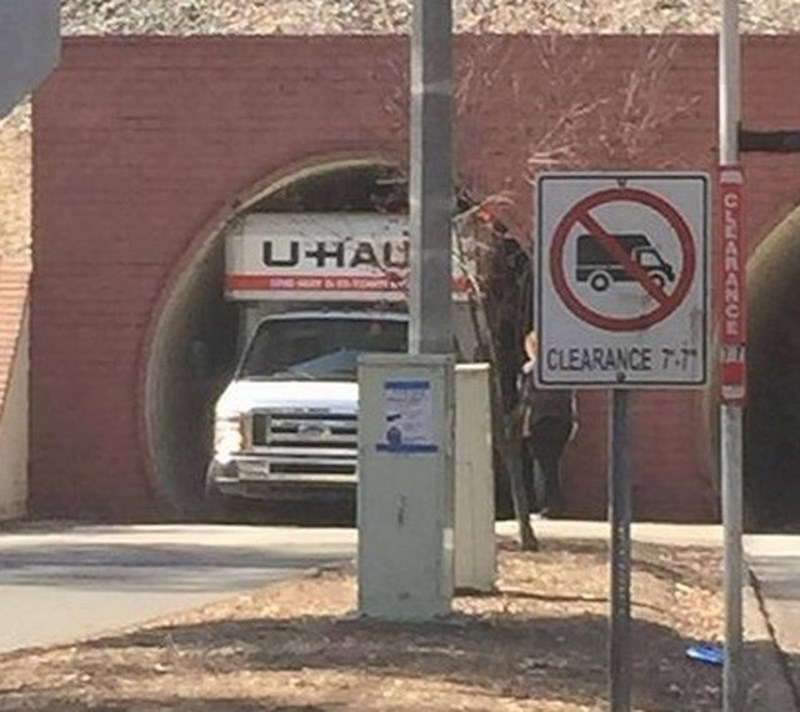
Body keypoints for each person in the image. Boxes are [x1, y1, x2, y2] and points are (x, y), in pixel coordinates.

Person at [518, 330, 577, 517]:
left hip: (540, 420)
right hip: (562, 420)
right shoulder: (560, 367)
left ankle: (549, 506)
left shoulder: (530, 370)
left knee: (543, 465)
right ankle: (553, 503)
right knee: (553, 463)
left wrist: (522, 423)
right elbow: (571, 395)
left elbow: (526, 398)